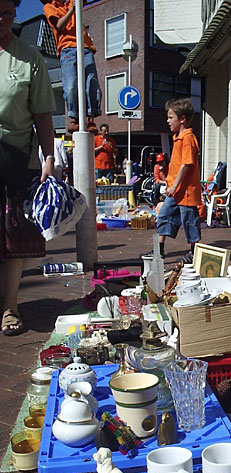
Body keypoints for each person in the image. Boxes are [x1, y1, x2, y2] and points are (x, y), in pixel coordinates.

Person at [0, 0, 55, 335]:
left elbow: (43, 117)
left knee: (11, 240)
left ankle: (9, 307)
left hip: (14, 161)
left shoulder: (29, 58)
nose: (1, 18)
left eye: (7, 11)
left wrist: (49, 157)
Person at [42, 0, 101, 133]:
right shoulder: (50, 7)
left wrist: (73, 6)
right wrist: (72, 10)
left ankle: (91, 118)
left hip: (85, 48)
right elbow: (59, 26)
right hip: (67, 49)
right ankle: (74, 118)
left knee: (91, 83)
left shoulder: (72, 1)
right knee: (71, 85)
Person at [156, 99, 202, 259]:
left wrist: (175, 186)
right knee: (164, 215)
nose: (167, 121)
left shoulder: (188, 138)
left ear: (182, 119)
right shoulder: (178, 137)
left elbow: (186, 164)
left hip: (185, 190)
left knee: (190, 221)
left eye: (170, 117)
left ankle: (194, 252)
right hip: (175, 190)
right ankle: (159, 249)